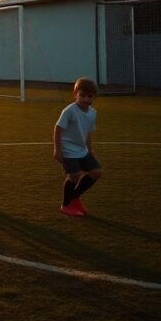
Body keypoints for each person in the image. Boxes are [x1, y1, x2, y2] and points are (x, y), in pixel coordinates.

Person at [55, 78, 102, 217]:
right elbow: (58, 129)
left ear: (94, 97)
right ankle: (66, 205)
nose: (86, 99)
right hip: (67, 149)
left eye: (90, 96)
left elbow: (87, 132)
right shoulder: (69, 111)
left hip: (82, 149)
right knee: (74, 175)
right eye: (82, 95)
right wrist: (57, 150)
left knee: (96, 172)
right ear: (75, 93)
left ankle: (74, 198)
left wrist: (90, 149)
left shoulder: (92, 113)